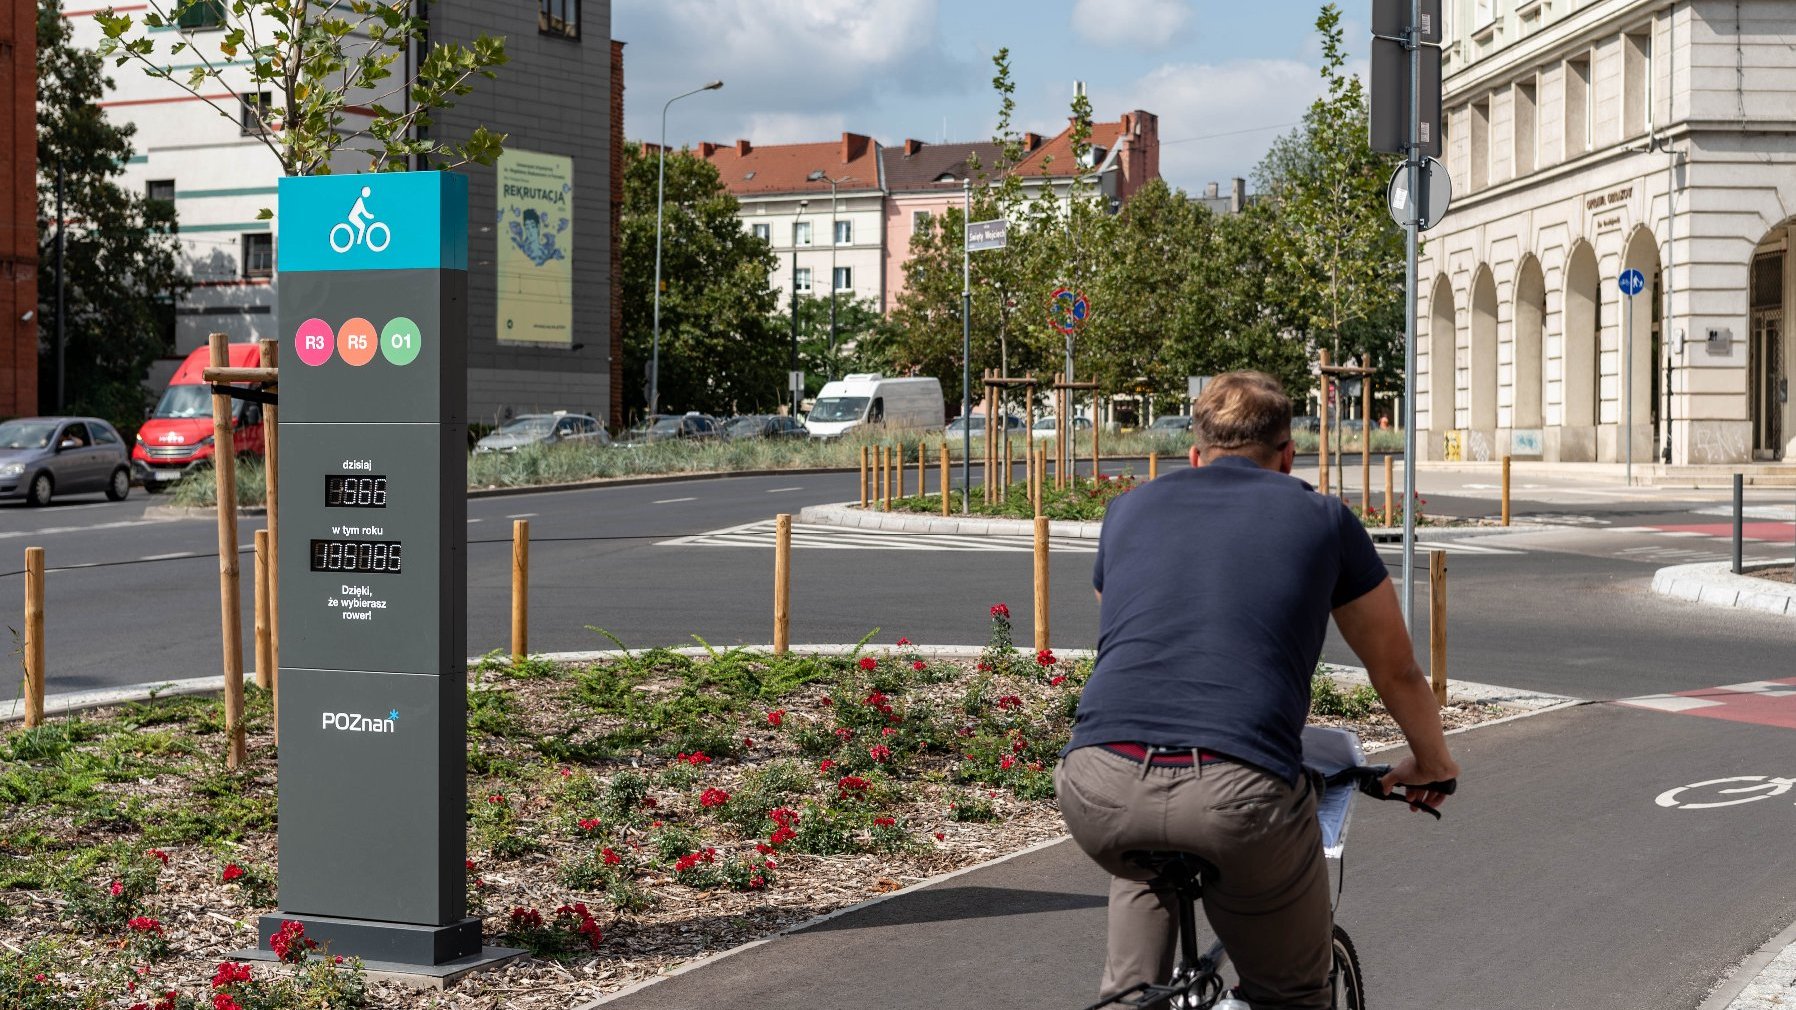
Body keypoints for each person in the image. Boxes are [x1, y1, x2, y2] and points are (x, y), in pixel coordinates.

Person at [1056, 370, 1460, 1010]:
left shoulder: (1127, 508)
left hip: (1097, 780)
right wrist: (1433, 764)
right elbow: (1397, 670)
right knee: (1293, 993)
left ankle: (1129, 999)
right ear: (1287, 457)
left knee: (1145, 872)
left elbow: (1121, 627)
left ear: (1193, 455)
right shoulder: (1322, 517)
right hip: (1236, 790)